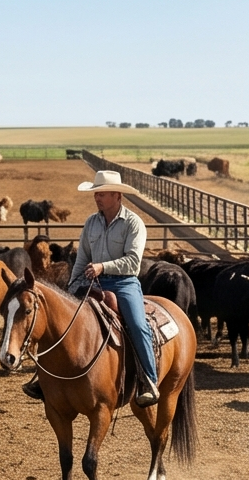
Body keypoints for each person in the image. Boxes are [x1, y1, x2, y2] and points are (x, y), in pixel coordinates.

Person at [23, 169, 159, 407]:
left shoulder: (133, 223)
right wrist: (72, 287)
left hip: (123, 283)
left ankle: (149, 380)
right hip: (90, 282)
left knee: (138, 324)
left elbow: (133, 262)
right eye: (96, 193)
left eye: (102, 194)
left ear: (117, 195)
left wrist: (103, 267)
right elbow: (82, 258)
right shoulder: (91, 223)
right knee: (59, 319)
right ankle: (42, 378)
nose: (97, 198)